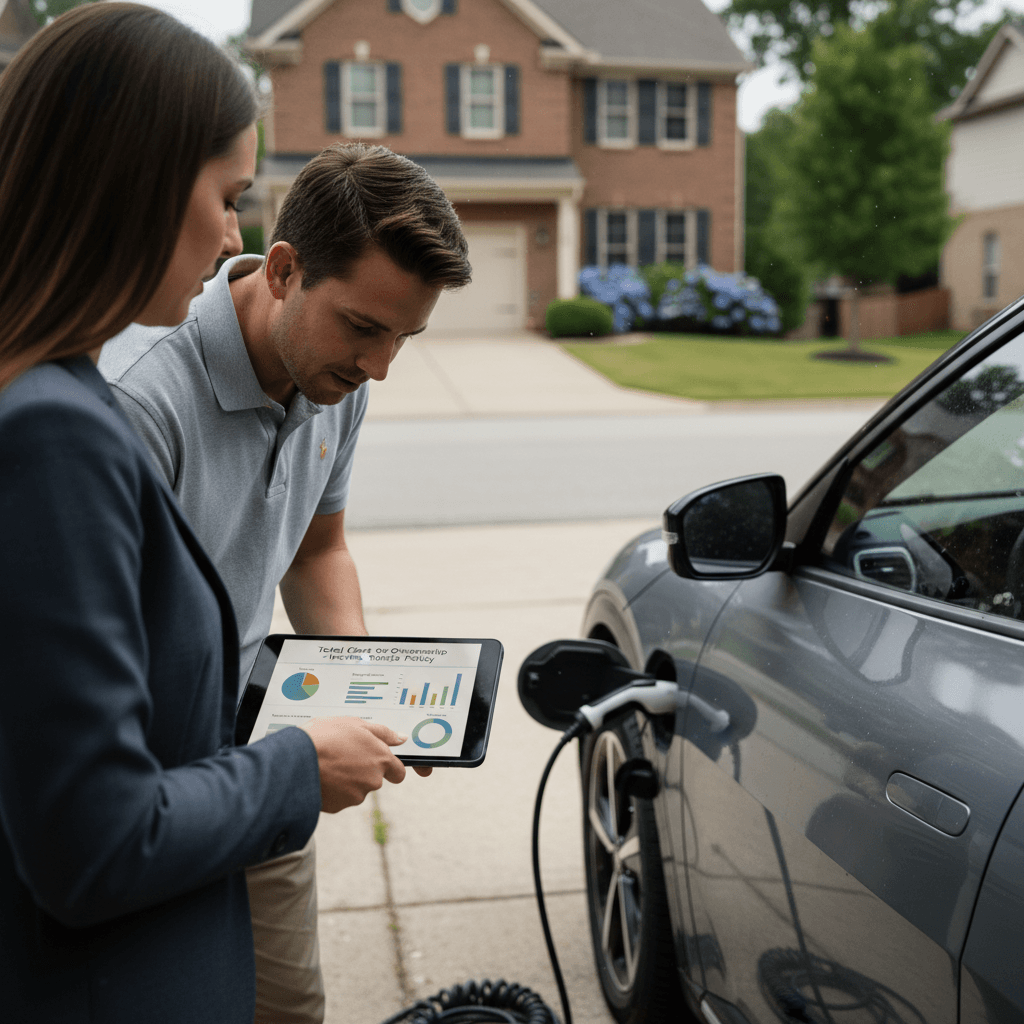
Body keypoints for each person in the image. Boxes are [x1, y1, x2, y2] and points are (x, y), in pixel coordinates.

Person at [0, 7, 421, 1023]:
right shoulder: (65, 426)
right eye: (228, 195)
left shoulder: (55, 392)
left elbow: (321, 545)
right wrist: (295, 765)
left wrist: (360, 689)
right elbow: (93, 836)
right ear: (131, 180)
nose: (233, 230)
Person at [99, 142, 472, 1023]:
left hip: (262, 756)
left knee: (287, 1008)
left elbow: (315, 549)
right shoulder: (137, 405)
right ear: (283, 268)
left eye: (404, 338)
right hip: (148, 793)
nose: (380, 366)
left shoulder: (334, 378)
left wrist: (364, 683)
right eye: (364, 328)